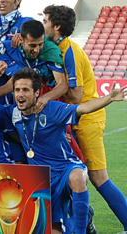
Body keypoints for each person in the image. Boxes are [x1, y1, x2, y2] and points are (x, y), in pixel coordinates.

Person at [7, 67, 127, 234]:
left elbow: (83, 108)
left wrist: (109, 98)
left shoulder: (53, 109)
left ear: (36, 93)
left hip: (65, 168)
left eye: (26, 90)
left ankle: (81, 231)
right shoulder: (12, 114)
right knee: (55, 231)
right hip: (42, 178)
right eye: (17, 90)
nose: (20, 94)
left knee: (78, 177)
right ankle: (85, 217)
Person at [43, 4, 127, 231]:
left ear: (56, 26)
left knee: (99, 178)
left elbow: (77, 95)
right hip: (71, 120)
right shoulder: (56, 48)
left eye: (46, 21)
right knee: (64, 176)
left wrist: (53, 89)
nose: (43, 24)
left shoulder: (69, 51)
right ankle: (81, 220)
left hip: (86, 118)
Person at [0, 20, 68, 112]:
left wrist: (45, 98)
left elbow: (62, 85)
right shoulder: (10, 46)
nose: (37, 50)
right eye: (32, 45)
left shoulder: (51, 51)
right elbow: (17, 80)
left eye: (40, 44)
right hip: (21, 101)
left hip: (47, 100)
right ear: (21, 40)